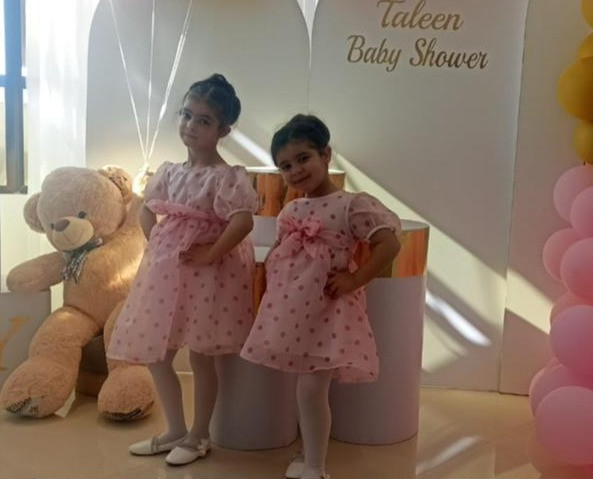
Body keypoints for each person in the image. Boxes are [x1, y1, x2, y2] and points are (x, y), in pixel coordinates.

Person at [241, 114, 402, 479]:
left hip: (329, 311)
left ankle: (316, 466)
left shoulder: (351, 204)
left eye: (303, 158)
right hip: (294, 312)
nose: (295, 170)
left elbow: (388, 243)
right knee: (305, 389)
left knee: (312, 390)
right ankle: (309, 455)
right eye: (285, 166)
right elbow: (283, 257)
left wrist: (355, 278)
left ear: (326, 154)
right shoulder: (292, 210)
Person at [108, 74, 257, 466]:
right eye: (186, 115)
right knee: (159, 353)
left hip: (207, 277)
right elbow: (145, 206)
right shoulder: (170, 171)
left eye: (203, 120)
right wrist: (154, 239)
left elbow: (242, 221)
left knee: (201, 355)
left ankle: (198, 434)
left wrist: (212, 253)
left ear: (223, 129)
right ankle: (175, 427)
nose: (190, 126)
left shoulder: (227, 176)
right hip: (167, 274)